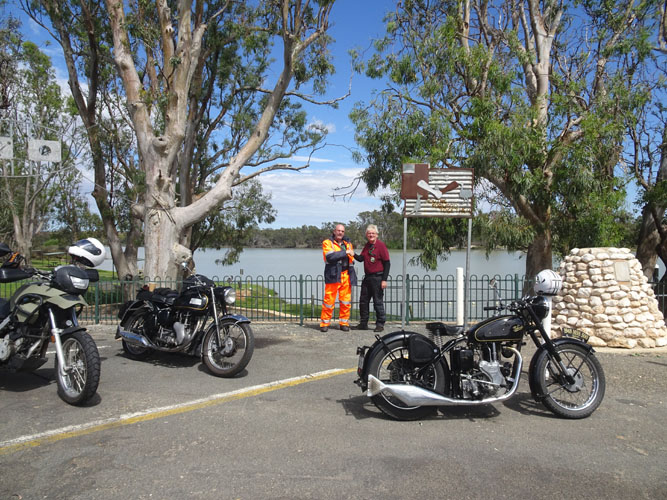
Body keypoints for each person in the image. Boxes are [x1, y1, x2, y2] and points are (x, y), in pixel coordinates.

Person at [320, 223, 357, 332]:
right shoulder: (327, 243)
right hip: (333, 275)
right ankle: (324, 324)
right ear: (334, 231)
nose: (340, 233)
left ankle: (344, 323)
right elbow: (330, 257)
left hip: (346, 275)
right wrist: (345, 252)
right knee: (329, 301)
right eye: (338, 230)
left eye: (342, 231)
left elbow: (352, 258)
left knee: (346, 301)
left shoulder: (348, 243)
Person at [353, 224, 390, 332]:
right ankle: (363, 323)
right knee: (363, 301)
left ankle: (380, 324)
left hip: (378, 277)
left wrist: (384, 280)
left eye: (373, 233)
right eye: (369, 233)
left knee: (378, 302)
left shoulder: (381, 246)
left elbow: (387, 263)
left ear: (377, 234)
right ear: (366, 235)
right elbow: (361, 258)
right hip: (367, 277)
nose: (371, 235)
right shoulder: (367, 246)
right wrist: (352, 254)